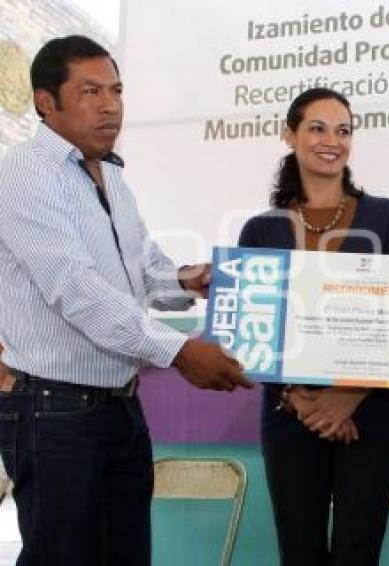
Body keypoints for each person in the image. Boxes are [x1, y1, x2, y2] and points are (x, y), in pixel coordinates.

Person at [0, 35, 252, 566]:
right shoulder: (23, 175)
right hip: (55, 413)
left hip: (120, 408)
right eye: (91, 91)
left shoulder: (112, 177)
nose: (111, 105)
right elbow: (78, 289)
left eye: (116, 90)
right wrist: (180, 351)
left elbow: (141, 272)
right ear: (47, 102)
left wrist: (188, 281)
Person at [238, 87, 389, 566]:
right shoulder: (259, 230)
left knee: (358, 552)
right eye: (317, 128)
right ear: (289, 134)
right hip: (289, 413)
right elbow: (256, 333)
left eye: (344, 130)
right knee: (299, 553)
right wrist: (299, 399)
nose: (331, 140)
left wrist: (347, 396)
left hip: (374, 412)